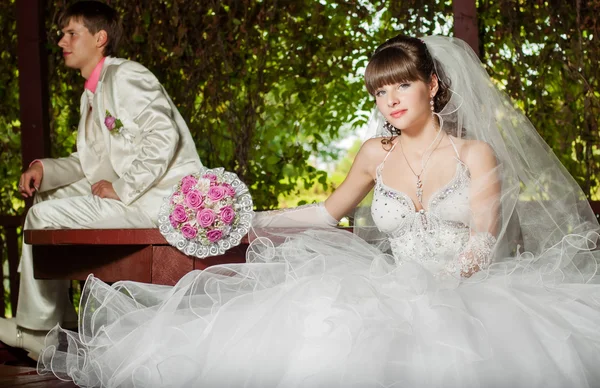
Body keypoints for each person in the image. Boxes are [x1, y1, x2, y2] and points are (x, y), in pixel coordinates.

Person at [38, 35, 600, 387]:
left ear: (432, 84)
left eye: (403, 84)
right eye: (380, 92)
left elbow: (482, 236)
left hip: (467, 285)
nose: (392, 100)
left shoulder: (475, 153)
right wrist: (248, 217)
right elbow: (325, 215)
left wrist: (445, 290)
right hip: (394, 279)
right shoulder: (374, 155)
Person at [0, 1, 202, 360]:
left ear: (100, 38)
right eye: (62, 34)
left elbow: (162, 137)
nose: (62, 41)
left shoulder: (125, 76)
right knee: (48, 198)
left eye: (71, 33)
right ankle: (59, 321)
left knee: (42, 217)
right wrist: (43, 169)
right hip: (136, 196)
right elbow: (91, 163)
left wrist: (121, 188)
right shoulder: (92, 93)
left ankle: (33, 330)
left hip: (158, 202)